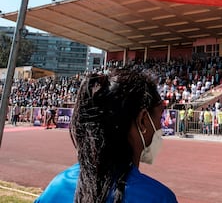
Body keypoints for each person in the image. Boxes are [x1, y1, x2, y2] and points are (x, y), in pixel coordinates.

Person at [34, 68, 177, 203]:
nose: (160, 128)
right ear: (142, 120)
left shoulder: (56, 188)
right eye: (159, 118)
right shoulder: (158, 197)